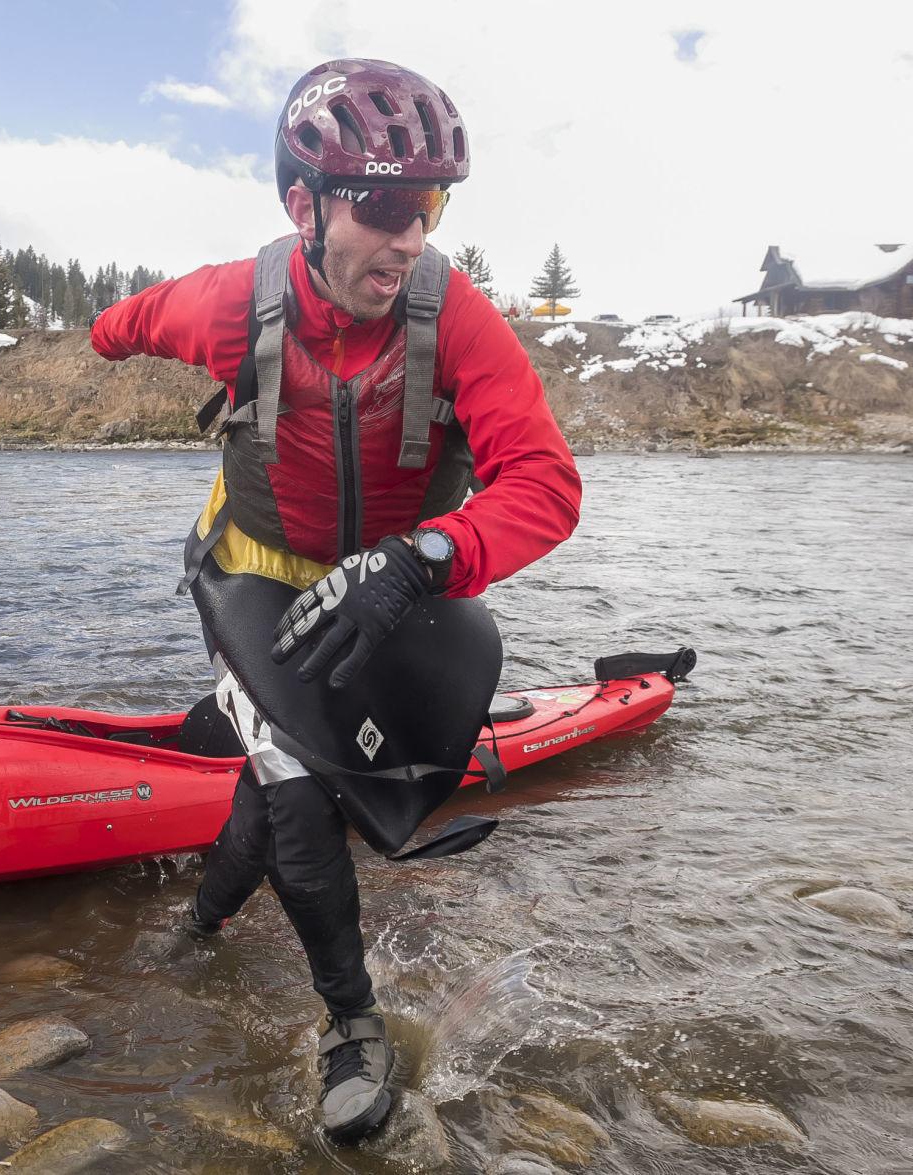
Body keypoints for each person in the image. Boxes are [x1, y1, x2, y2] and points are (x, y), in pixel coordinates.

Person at [91, 59, 582, 1143]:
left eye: (433, 206)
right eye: (389, 205)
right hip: (252, 576)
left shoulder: (456, 320)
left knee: (277, 785)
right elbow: (116, 325)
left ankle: (203, 920)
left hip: (389, 582)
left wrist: (427, 556)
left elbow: (547, 485)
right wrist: (117, 335)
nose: (412, 237)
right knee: (299, 783)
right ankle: (352, 1023)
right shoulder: (231, 302)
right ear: (303, 205)